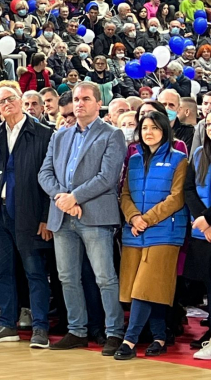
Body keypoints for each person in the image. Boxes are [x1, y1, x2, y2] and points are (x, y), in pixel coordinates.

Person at [38, 82, 127, 354]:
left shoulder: (112, 135)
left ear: (98, 103)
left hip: (96, 216)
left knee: (104, 277)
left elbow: (107, 177)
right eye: (76, 99)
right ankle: (76, 330)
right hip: (63, 217)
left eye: (85, 99)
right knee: (66, 277)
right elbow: (45, 174)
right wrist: (64, 199)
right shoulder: (60, 136)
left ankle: (114, 332)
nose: (79, 103)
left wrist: (74, 198)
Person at [0, 83, 54, 348]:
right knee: (3, 271)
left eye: (10, 99)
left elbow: (52, 176)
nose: (6, 104)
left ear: (20, 99)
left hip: (29, 213)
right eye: (0, 101)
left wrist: (47, 216)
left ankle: (40, 327)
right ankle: (7, 324)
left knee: (34, 272)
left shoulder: (43, 133)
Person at [115, 110, 187, 360]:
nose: (149, 132)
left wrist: (147, 219)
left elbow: (177, 197)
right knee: (146, 287)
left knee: (144, 286)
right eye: (145, 127)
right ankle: (159, 336)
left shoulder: (179, 159)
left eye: (155, 128)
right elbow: (124, 194)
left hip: (165, 232)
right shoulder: (133, 159)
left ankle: (129, 340)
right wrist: (134, 217)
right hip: (134, 231)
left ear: (165, 131)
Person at [186, 110, 211, 359]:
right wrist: (204, 222)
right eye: (208, 123)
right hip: (203, 233)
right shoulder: (198, 154)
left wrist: (210, 219)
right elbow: (188, 189)